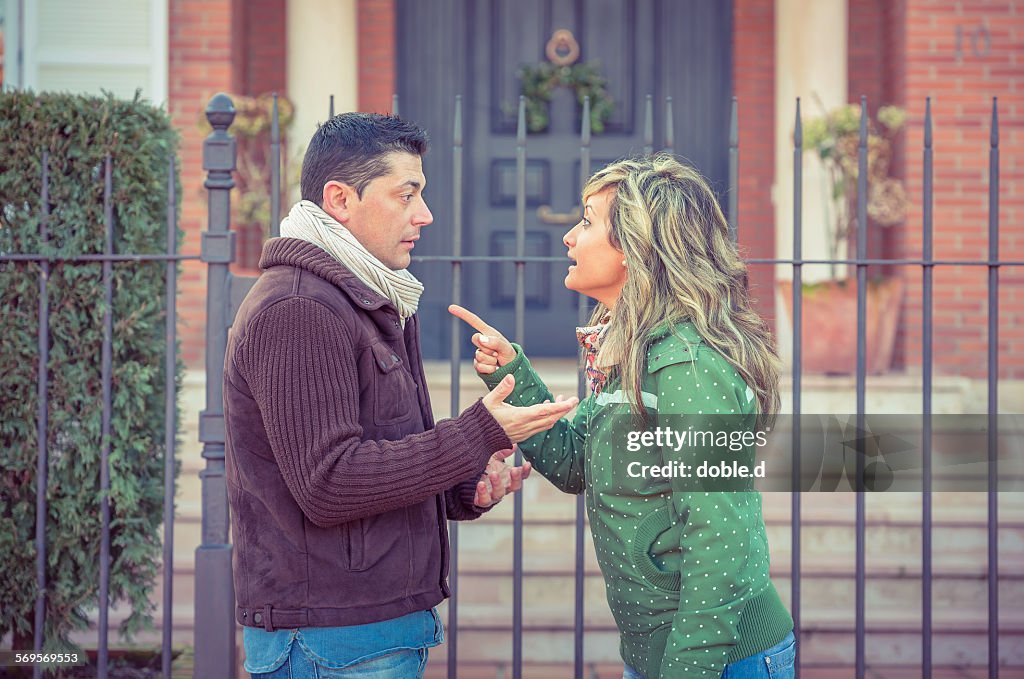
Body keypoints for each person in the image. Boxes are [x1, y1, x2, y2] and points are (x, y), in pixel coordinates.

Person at [223, 112, 577, 679]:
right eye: (406, 194)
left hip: (366, 630)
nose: (425, 214)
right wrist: (477, 432)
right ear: (340, 199)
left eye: (422, 193)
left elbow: (381, 454)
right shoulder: (299, 308)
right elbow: (329, 483)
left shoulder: (369, 297)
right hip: (329, 638)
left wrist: (464, 487)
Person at [450, 153, 795, 679]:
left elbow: (721, 535)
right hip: (656, 658)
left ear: (636, 250)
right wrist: (510, 377)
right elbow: (576, 465)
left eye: (586, 222)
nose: (568, 236)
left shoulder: (687, 364)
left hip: (719, 661)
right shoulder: (632, 348)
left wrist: (685, 671)